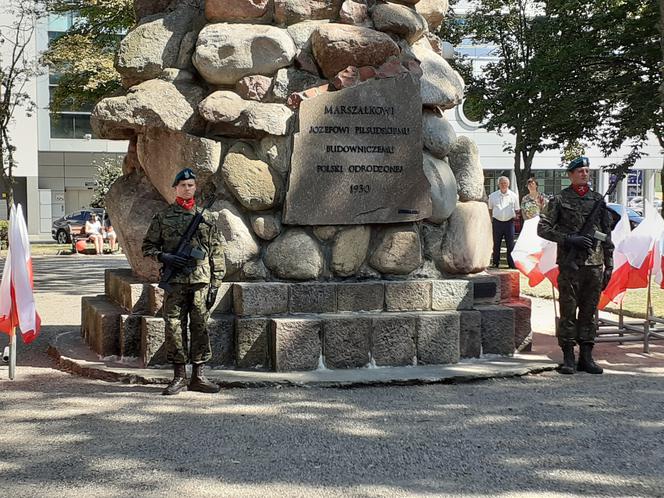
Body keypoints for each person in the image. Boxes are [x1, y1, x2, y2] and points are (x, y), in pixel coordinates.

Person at [142, 168, 225, 395]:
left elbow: (217, 252)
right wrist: (164, 256)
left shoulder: (207, 217)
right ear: (175, 188)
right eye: (182, 185)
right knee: (174, 327)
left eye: (190, 185)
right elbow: (148, 246)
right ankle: (179, 377)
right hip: (175, 282)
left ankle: (199, 376)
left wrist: (216, 284)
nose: (187, 188)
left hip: (200, 281)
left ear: (195, 188)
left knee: (200, 326)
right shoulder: (163, 217)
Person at [538, 156, 613, 375]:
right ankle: (568, 357)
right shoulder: (560, 200)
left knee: (589, 312)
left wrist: (609, 264)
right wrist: (569, 239)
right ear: (570, 175)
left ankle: (587, 357)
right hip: (570, 266)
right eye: (579, 171)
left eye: (587, 171)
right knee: (568, 310)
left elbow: (606, 235)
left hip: (594, 264)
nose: (584, 174)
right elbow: (543, 228)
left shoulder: (598, 200)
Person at [488, 176, 520, 268]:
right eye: (501, 183)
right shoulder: (492, 196)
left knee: (510, 244)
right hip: (497, 223)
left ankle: (511, 264)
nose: (503, 185)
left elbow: (517, 210)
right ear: (498, 184)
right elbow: (490, 209)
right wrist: (491, 220)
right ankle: (495, 263)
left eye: (505, 183)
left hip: (509, 223)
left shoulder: (514, 196)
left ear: (508, 184)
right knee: (496, 243)